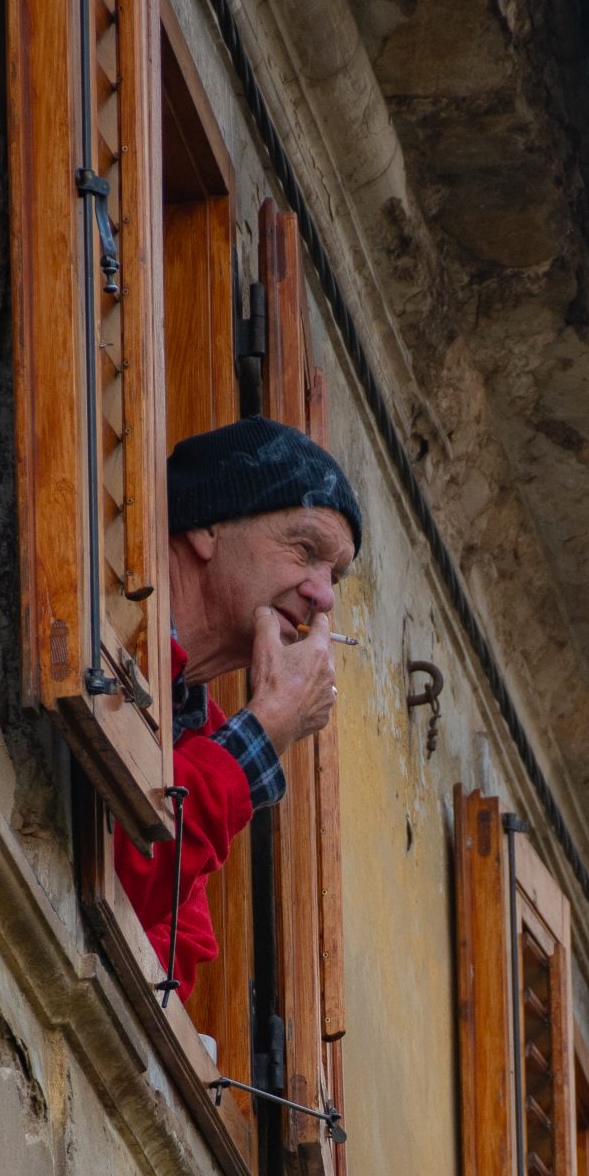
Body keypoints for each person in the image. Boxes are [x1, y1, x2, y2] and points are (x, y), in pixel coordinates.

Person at [114, 416, 362, 1001]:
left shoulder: (197, 732)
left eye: (336, 577)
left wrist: (245, 741)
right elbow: (103, 869)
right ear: (207, 526)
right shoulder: (105, 632)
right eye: (305, 549)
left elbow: (168, 966)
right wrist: (265, 731)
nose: (324, 595)